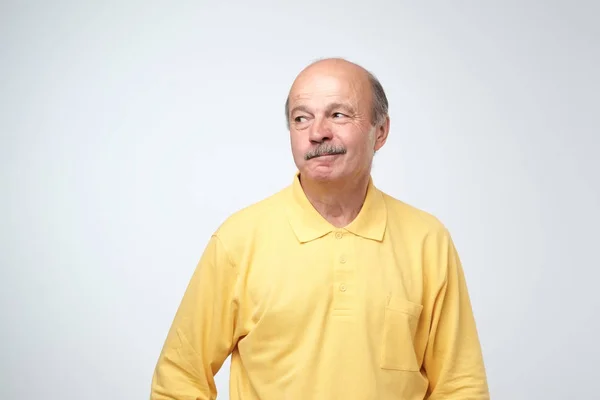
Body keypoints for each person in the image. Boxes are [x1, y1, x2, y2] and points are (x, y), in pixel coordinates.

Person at [150, 58, 490, 399]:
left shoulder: (427, 241)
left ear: (381, 131)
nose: (317, 133)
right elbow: (180, 379)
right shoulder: (238, 240)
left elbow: (460, 386)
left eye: (338, 114)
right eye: (302, 118)